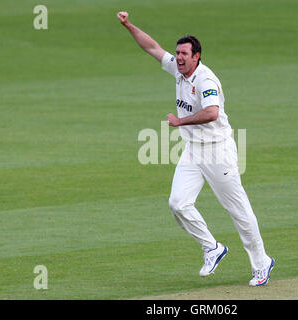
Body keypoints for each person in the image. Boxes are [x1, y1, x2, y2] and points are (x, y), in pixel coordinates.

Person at [117, 11, 274, 286]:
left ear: (196, 56)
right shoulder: (178, 72)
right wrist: (129, 25)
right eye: (177, 53)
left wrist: (180, 121)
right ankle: (212, 247)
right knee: (177, 203)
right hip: (193, 151)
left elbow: (212, 113)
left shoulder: (205, 80)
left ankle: (261, 263)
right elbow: (152, 47)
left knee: (238, 211)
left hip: (218, 151)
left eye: (184, 54)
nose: (178, 58)